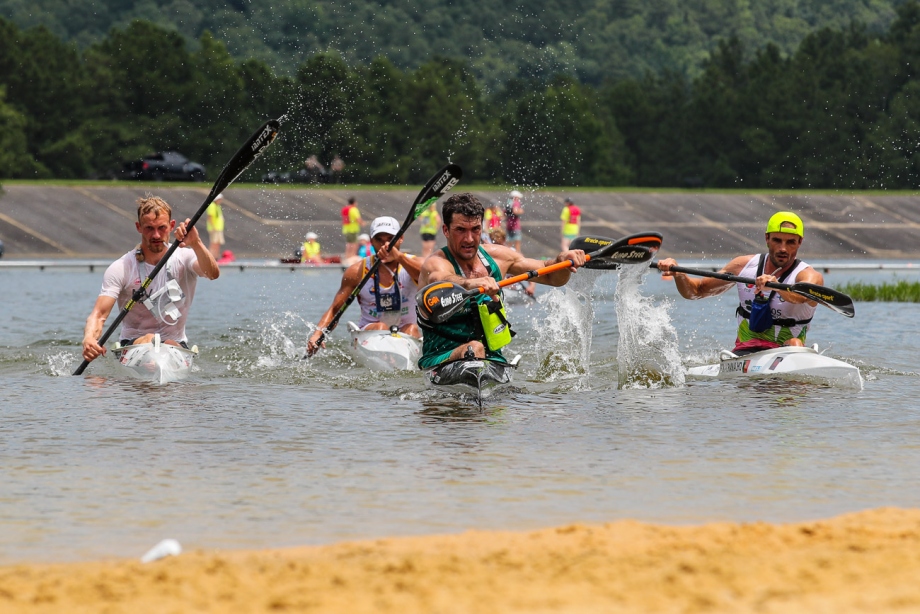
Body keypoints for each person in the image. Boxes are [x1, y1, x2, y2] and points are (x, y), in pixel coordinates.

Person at [417, 193, 586, 369]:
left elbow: (552, 277)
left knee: (478, 351)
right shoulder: (436, 263)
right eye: (460, 230)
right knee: (474, 348)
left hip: (493, 362)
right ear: (445, 230)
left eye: (475, 229)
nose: (469, 239)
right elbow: (440, 277)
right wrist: (471, 283)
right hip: (439, 359)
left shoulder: (498, 258)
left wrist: (563, 261)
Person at [654, 211, 822, 355]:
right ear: (767, 238)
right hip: (745, 353)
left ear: (799, 242)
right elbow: (697, 291)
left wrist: (775, 285)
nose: (783, 248)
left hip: (790, 352)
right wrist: (679, 274)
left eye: (790, 242)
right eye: (777, 240)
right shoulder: (743, 266)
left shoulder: (809, 276)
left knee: (794, 343)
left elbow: (799, 296)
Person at [81, 195, 220, 363]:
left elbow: (213, 274)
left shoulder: (184, 257)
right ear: (138, 227)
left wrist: (196, 243)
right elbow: (99, 315)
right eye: (149, 228)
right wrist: (89, 338)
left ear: (171, 226)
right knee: (148, 339)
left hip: (175, 344)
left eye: (161, 227)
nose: (156, 234)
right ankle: (151, 347)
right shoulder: (122, 267)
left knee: (167, 343)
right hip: (133, 344)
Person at [307, 216, 422, 356]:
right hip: (371, 331)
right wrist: (318, 334)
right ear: (371, 240)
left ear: (401, 238)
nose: (385, 245)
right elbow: (335, 310)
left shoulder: (414, 264)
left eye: (390, 239)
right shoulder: (357, 271)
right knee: (381, 326)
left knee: (412, 329)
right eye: (379, 239)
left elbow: (428, 276)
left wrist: (399, 257)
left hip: (405, 332)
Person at [489, 227, 536, 298]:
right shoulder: (489, 255)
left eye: (499, 243)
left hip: (515, 290)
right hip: (500, 290)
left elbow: (528, 270)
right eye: (495, 243)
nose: (497, 247)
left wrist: (531, 286)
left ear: (504, 240)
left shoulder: (514, 253)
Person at [341, 197, 363, 261]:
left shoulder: (345, 209)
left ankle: (347, 256)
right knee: (354, 243)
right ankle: (352, 256)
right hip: (353, 229)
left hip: (346, 229)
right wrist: (362, 223)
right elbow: (358, 219)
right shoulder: (353, 209)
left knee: (348, 243)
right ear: (354, 202)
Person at [206, 193, 225, 259]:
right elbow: (210, 217)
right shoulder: (212, 206)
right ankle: (211, 258)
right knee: (213, 244)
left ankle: (216, 257)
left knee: (217, 243)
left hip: (218, 228)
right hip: (214, 228)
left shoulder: (217, 206)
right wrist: (213, 227)